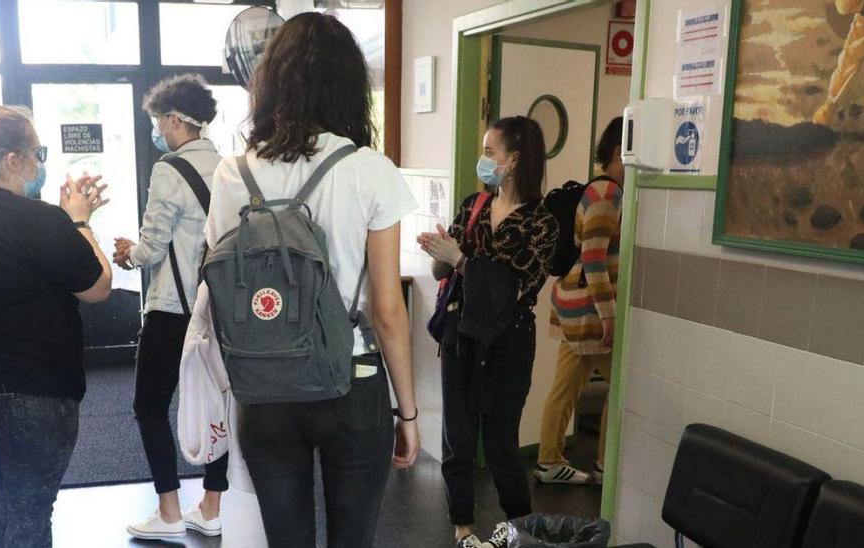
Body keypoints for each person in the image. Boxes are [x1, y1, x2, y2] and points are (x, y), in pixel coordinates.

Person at [204, 13, 421, 547]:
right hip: (352, 379)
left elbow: (220, 285)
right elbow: (388, 311)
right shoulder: (371, 169)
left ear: (272, 81)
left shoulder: (234, 172)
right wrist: (409, 412)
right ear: (348, 85)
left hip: (263, 385)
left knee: (285, 539)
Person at [0, 93, 112, 548]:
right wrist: (80, 221)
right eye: (37, 153)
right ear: (13, 160)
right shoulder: (44, 221)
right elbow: (97, 287)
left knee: (12, 495)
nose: (40, 162)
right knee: (31, 508)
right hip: (28, 395)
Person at [418, 116, 558, 548]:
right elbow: (444, 270)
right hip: (460, 332)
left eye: (489, 151)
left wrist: (461, 259)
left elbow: (513, 288)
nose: (483, 159)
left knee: (500, 442)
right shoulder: (473, 205)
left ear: (513, 160)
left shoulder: (542, 224)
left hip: (509, 341)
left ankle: (524, 527)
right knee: (457, 438)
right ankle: (463, 527)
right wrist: (440, 253)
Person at [113, 74, 228, 541]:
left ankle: (168, 511)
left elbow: (152, 247)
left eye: (159, 120)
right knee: (215, 404)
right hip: (216, 310)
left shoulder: (169, 169)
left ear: (176, 120)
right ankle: (211, 507)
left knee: (149, 406)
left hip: (170, 311)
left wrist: (127, 254)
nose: (157, 129)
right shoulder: (229, 166)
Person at [535, 117, 625, 486]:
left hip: (573, 301)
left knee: (565, 387)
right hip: (590, 307)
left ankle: (549, 462)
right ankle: (605, 465)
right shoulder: (607, 196)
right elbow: (593, 257)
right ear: (621, 152)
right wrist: (609, 316)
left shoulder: (596, 189)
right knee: (622, 387)